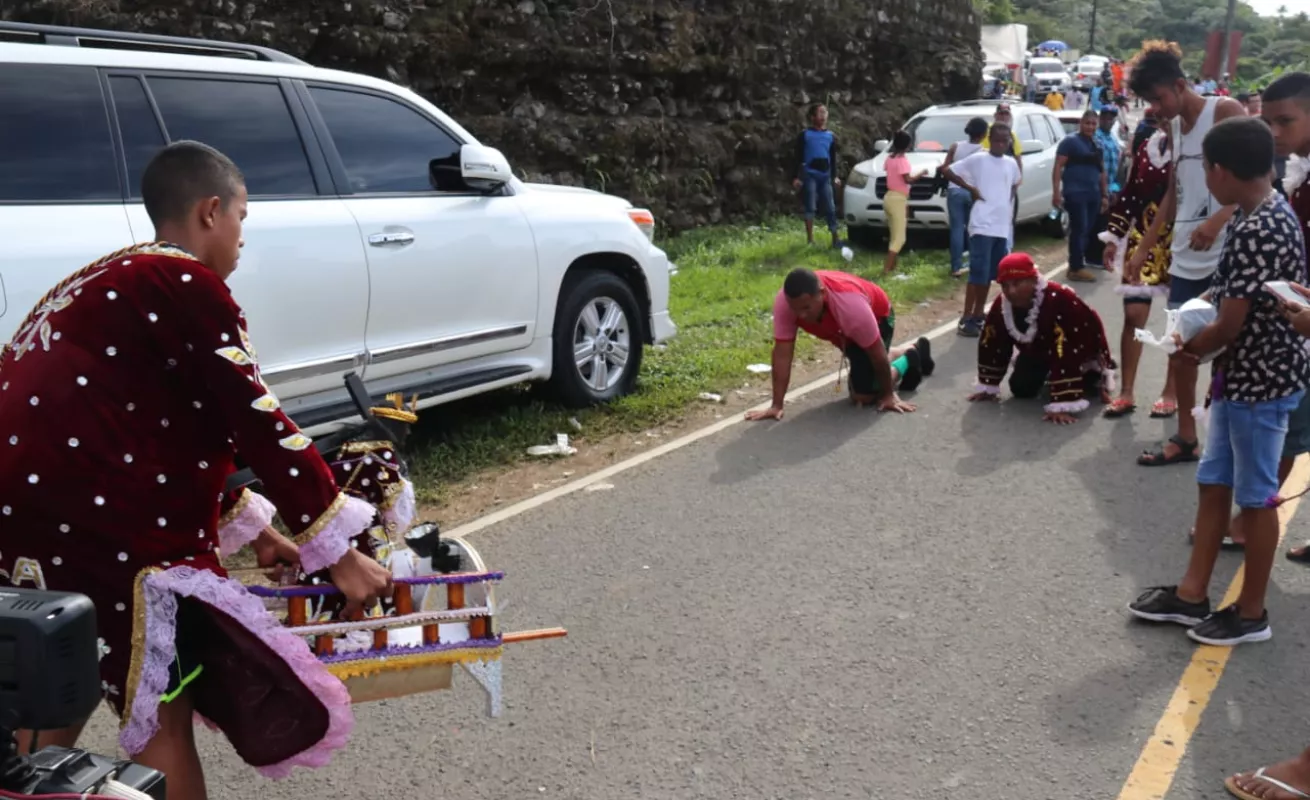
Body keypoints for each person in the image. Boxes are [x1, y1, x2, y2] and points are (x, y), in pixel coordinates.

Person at [0, 142, 394, 797]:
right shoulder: (184, 283)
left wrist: (261, 532)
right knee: (160, 712)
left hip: (29, 515)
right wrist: (339, 552)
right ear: (212, 211)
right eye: (242, 219)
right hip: (102, 522)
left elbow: (174, 423)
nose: (242, 240)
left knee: (56, 673)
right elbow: (255, 417)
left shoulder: (110, 276)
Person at [1127, 117, 1310, 648]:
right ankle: (1191, 595)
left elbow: (1230, 323)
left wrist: (1188, 350)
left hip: (1261, 382)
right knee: (1214, 483)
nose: (1205, 179)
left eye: (1206, 168)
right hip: (1242, 378)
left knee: (1256, 500)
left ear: (1221, 171)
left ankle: (1251, 611)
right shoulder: (1265, 209)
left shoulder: (1258, 226)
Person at [1126, 43, 1246, 467]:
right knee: (1181, 347)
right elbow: (1173, 191)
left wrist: (1218, 222)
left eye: (1158, 99)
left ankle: (1225, 438)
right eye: (1148, 103)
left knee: (1227, 348)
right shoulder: (1175, 128)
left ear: (1180, 85)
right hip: (1185, 256)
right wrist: (1144, 247)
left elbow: (1257, 178)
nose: (1154, 109)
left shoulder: (1226, 112)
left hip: (1227, 255)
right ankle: (1187, 437)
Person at [745, 268, 930, 420]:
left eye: (806, 308)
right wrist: (776, 405)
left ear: (822, 294)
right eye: (795, 309)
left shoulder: (851, 307)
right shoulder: (785, 305)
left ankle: (908, 358)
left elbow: (876, 351)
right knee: (862, 378)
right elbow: (782, 354)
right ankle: (904, 351)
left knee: (863, 395)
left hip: (878, 317)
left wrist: (888, 395)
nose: (801, 315)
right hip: (843, 332)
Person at [966, 252, 1116, 424]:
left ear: (1033, 280)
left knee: (1086, 385)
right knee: (1021, 389)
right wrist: (988, 385)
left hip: (1078, 348)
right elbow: (992, 342)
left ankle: (1092, 374)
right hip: (1038, 350)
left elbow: (1067, 350)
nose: (1011, 291)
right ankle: (1050, 375)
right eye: (1005, 286)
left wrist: (1063, 403)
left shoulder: (1059, 300)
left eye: (1017, 283)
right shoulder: (1002, 304)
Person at [1101, 111, 1177, 419]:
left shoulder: (1195, 149)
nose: (1163, 122)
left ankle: (1171, 391)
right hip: (1142, 236)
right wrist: (1113, 236)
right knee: (1133, 314)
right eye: (1158, 117)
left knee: (1180, 319)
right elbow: (1131, 193)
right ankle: (1127, 392)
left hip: (1182, 241)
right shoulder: (1147, 146)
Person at [944, 122, 1022, 337]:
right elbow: (948, 171)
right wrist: (971, 189)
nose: (999, 144)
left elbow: (1014, 185)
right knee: (977, 273)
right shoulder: (979, 159)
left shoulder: (1011, 164)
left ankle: (979, 313)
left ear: (1009, 142)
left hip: (1000, 227)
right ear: (989, 138)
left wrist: (1008, 214)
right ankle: (966, 317)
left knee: (989, 274)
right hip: (981, 225)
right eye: (996, 140)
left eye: (1004, 141)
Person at [1052, 110, 1108, 283]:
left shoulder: (1097, 144)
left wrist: (1104, 195)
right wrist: (1056, 192)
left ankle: (1076, 264)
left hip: (1093, 193)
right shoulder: (1069, 142)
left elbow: (1102, 172)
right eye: (1087, 123)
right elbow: (1057, 167)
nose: (1090, 127)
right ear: (1081, 124)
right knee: (1079, 228)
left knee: (1087, 230)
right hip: (1075, 193)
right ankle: (1076, 267)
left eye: (1093, 124)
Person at [940, 117, 989, 279]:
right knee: (972, 227)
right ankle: (973, 262)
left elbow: (945, 167)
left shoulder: (956, 146)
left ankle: (956, 266)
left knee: (956, 228)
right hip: (973, 191)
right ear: (983, 134)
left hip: (954, 190)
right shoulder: (984, 151)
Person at [792, 103, 842, 249]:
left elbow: (832, 158)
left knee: (831, 207)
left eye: (825, 112)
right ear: (812, 117)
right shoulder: (805, 135)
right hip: (810, 175)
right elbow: (797, 157)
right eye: (820, 112)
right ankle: (810, 239)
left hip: (825, 175)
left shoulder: (830, 136)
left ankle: (835, 238)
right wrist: (796, 177)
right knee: (810, 207)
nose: (823, 115)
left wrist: (835, 176)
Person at [1084, 105, 1126, 270]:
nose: (1108, 121)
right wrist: (1103, 191)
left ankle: (1099, 256)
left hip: (1110, 187)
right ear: (1100, 119)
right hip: (1096, 188)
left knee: (1105, 224)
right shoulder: (1096, 138)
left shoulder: (1112, 139)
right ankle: (1091, 257)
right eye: (1105, 118)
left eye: (1111, 118)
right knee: (1096, 224)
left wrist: (1114, 188)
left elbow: (1117, 167)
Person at [881, 130, 928, 275]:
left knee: (894, 234)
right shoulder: (902, 161)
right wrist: (922, 173)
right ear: (908, 146)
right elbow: (907, 179)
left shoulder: (889, 158)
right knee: (900, 238)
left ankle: (893, 267)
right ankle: (886, 270)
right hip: (898, 199)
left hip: (889, 197)